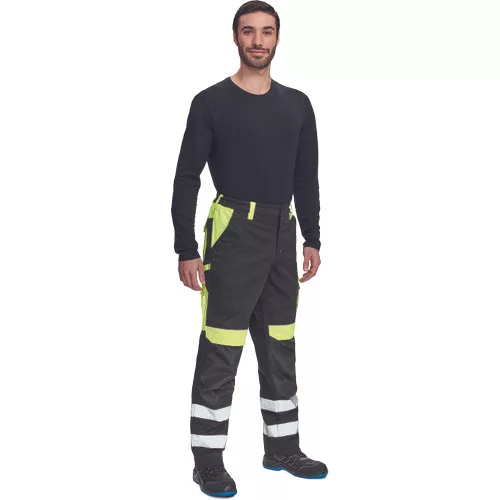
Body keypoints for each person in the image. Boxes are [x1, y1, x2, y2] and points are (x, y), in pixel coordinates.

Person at [171, 1, 327, 496]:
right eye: (248, 31)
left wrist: (312, 237)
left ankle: (282, 448)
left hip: (284, 232)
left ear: (278, 38)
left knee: (280, 343)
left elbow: (306, 177)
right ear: (235, 37)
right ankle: (207, 461)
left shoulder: (298, 104)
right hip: (234, 231)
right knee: (222, 345)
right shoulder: (210, 102)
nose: (258, 40)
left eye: (267, 31)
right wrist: (185, 246)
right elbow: (186, 177)